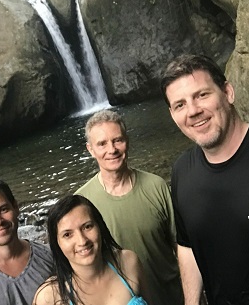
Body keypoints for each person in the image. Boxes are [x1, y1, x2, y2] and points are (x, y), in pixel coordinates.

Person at [160, 54, 249, 305]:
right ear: (173, 115)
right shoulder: (182, 171)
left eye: (202, 95)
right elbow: (187, 246)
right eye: (180, 105)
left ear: (228, 92)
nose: (193, 111)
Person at [75, 110, 184, 305]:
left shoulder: (156, 186)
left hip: (171, 297)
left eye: (118, 140)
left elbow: (181, 246)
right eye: (102, 144)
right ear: (90, 149)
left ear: (127, 141)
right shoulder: (82, 201)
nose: (112, 149)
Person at [34, 194, 151, 305]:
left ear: (100, 226)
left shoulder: (128, 262)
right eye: (68, 234)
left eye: (87, 227)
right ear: (57, 243)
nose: (82, 241)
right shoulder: (50, 297)